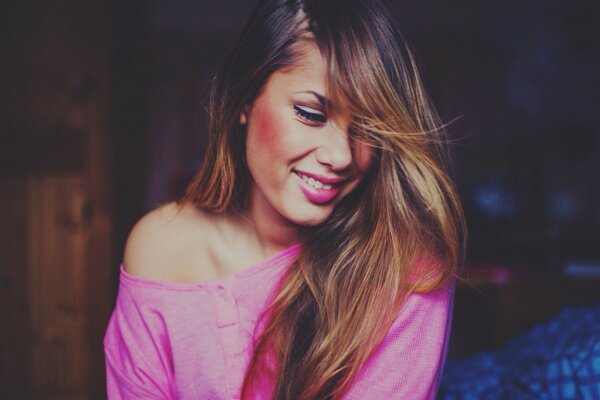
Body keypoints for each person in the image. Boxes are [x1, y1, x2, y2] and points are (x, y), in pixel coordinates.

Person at [103, 0, 467, 398]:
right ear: (245, 98)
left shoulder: (406, 263)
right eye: (311, 114)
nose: (341, 155)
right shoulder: (159, 248)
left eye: (368, 128)